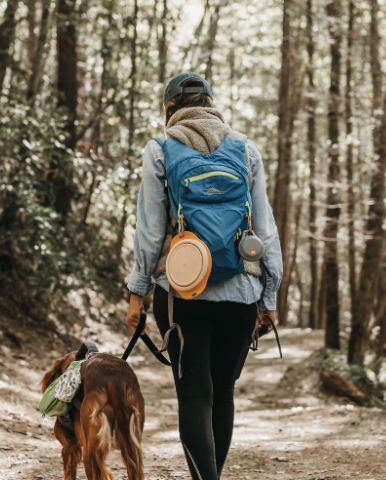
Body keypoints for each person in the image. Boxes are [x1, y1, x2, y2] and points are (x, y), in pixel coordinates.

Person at [125, 72, 283, 480]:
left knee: (195, 395)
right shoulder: (246, 150)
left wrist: (137, 293)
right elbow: (265, 230)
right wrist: (269, 297)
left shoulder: (160, 149)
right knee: (222, 394)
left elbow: (150, 229)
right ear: (211, 104)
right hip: (242, 291)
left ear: (170, 110)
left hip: (182, 291)